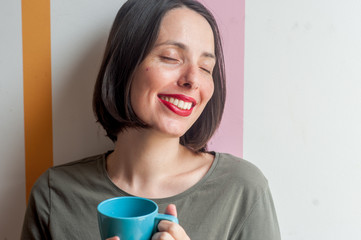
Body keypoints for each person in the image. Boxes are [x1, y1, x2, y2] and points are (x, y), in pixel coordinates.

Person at [21, 0, 281, 239]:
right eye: (171, 57)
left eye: (205, 68)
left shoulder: (242, 190)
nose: (192, 79)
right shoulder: (54, 194)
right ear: (125, 63)